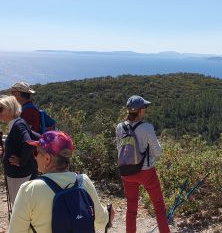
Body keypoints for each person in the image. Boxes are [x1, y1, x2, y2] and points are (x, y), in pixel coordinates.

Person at [8, 130, 115, 232]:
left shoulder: (29, 190)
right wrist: (108, 213)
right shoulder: (83, 181)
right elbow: (101, 222)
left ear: (47, 159)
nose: (35, 157)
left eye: (36, 152)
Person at [116, 95, 170, 233]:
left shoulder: (119, 127)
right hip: (146, 172)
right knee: (159, 207)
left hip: (126, 172)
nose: (145, 110)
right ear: (140, 110)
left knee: (131, 208)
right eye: (144, 107)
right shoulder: (147, 127)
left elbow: (119, 148)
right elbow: (157, 153)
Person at [0, 95, 38, 205]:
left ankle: (21, 223)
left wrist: (21, 161)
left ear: (10, 109)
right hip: (20, 174)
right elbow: (35, 137)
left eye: (1, 109)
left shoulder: (18, 125)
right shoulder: (18, 123)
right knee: (24, 205)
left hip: (19, 175)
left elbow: (28, 142)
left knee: (20, 206)